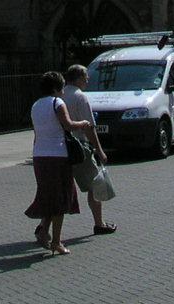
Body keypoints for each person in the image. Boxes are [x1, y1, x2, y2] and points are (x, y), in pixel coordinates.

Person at [25, 70, 91, 256]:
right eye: (61, 88)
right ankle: (56, 241)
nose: (63, 91)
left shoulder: (36, 105)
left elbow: (37, 132)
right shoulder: (57, 103)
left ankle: (43, 230)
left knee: (48, 195)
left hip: (40, 155)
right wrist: (83, 123)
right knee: (60, 199)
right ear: (55, 89)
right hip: (58, 155)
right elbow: (68, 125)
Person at [62, 64, 116, 236]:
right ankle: (99, 223)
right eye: (86, 77)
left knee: (59, 188)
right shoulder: (80, 97)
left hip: (61, 147)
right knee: (95, 185)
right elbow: (89, 127)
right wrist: (99, 150)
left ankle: (43, 226)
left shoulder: (60, 95)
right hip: (79, 147)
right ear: (78, 78)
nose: (88, 80)